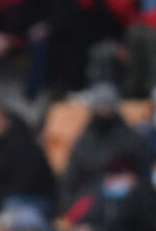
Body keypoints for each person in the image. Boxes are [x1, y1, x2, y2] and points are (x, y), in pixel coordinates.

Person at [60, 83, 149, 212]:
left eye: (107, 108)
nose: (103, 112)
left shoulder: (132, 139)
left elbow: (144, 173)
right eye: (100, 108)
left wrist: (131, 182)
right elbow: (70, 180)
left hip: (128, 201)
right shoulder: (84, 141)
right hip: (92, 202)